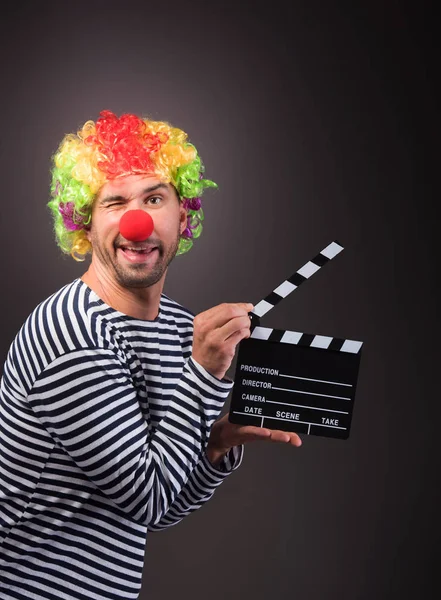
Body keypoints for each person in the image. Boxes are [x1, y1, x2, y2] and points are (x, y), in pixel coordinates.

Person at [0, 110, 301, 600]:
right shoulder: (72, 331)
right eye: (114, 201)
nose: (135, 219)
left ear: (183, 215)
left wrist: (214, 448)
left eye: (154, 198)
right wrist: (203, 372)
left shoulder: (181, 328)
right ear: (83, 221)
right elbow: (148, 499)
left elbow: (156, 509)